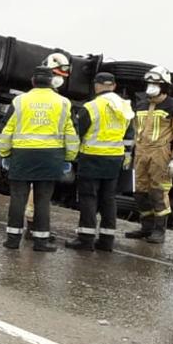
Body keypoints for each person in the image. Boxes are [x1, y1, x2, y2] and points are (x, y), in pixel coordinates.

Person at [0, 65, 80, 251]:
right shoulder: (64, 103)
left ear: (33, 81)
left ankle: (12, 240)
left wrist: (5, 154)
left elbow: (6, 130)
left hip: (22, 156)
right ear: (51, 82)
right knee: (42, 200)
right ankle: (41, 242)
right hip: (51, 157)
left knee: (18, 198)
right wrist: (68, 158)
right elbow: (71, 133)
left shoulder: (20, 101)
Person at [64, 72, 134, 252]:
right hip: (114, 160)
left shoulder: (91, 107)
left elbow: (78, 132)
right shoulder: (125, 107)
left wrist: (70, 154)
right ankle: (106, 240)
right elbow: (129, 137)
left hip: (92, 158)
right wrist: (125, 158)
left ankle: (85, 239)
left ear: (97, 85)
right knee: (109, 199)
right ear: (114, 86)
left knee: (88, 198)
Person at [126, 66, 173, 244]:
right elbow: (135, 130)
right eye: (150, 83)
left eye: (156, 83)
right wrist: (130, 153)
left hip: (161, 153)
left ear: (164, 86)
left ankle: (159, 230)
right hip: (141, 153)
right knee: (139, 191)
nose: (151, 86)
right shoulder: (141, 103)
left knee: (158, 192)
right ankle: (146, 227)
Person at [24, 52, 71, 238]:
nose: (60, 79)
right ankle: (34, 229)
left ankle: (33, 227)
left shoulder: (47, 97)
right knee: (38, 193)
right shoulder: (54, 100)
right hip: (44, 152)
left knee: (37, 193)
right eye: (57, 75)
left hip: (36, 150)